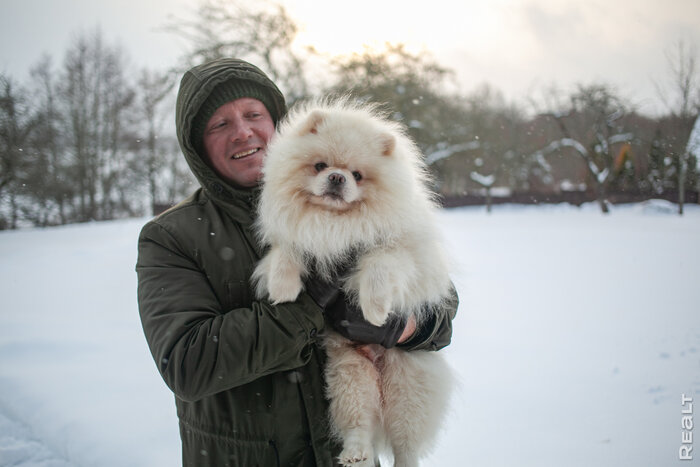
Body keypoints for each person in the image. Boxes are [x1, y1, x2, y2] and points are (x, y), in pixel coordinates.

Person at [136, 57, 458, 467]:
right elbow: (188, 363)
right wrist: (309, 306)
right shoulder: (172, 236)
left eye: (253, 114)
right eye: (220, 124)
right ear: (196, 145)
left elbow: (441, 307)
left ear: (279, 125)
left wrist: (405, 327)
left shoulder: (374, 212)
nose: (243, 132)